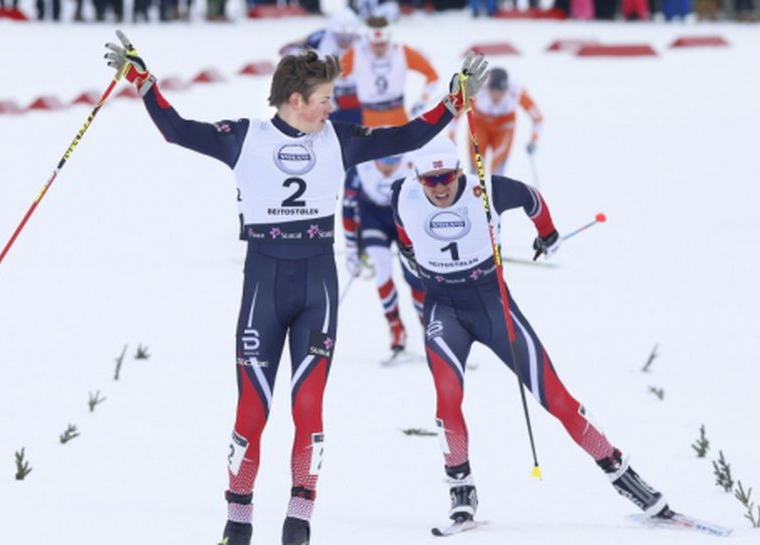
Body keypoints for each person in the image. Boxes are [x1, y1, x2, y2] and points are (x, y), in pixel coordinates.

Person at [103, 31, 488, 545]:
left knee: (308, 408)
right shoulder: (244, 138)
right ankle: (237, 523)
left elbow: (407, 136)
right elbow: (176, 131)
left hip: (316, 288)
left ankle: (298, 522)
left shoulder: (340, 139)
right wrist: (144, 82)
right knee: (251, 411)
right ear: (295, 101)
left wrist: (453, 101)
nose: (333, 107)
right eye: (325, 99)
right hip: (264, 285)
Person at [391, 137, 672, 529]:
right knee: (448, 399)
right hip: (443, 306)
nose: (439, 187)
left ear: (459, 172)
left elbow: (533, 199)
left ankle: (622, 474)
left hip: (492, 303)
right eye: (430, 180)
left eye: (447, 177)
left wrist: (548, 233)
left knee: (555, 397)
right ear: (418, 178)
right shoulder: (403, 194)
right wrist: (409, 251)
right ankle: (461, 490)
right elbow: (403, 229)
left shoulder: (485, 189)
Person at [342, 154, 425, 357]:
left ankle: (428, 325)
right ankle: (395, 326)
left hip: (402, 217)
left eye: (394, 163)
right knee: (382, 266)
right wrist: (351, 250)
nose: (389, 168)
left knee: (414, 273)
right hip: (373, 217)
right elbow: (347, 208)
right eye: (384, 162)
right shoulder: (360, 166)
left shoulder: (412, 164)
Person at [340, 16, 441, 128]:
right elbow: (332, 78)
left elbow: (432, 75)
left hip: (398, 117)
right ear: (368, 38)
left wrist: (423, 99)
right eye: (375, 44)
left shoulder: (402, 51)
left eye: (382, 44)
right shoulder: (355, 54)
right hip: (369, 119)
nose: (379, 48)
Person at [451, 67, 542, 177]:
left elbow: (538, 118)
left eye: (501, 92)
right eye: (493, 91)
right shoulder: (476, 88)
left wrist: (533, 140)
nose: (497, 96)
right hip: (480, 123)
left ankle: (497, 189)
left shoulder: (517, 91)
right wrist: (452, 135)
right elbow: (456, 112)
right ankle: (476, 188)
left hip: (504, 126)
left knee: (498, 166)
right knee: (477, 163)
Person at [279, 9, 363, 125]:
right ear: (332, 32)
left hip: (352, 91)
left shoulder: (363, 42)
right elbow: (285, 50)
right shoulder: (321, 37)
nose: (344, 42)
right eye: (340, 38)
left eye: (348, 38)